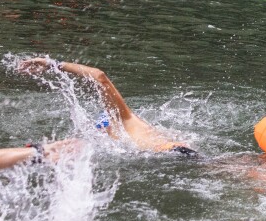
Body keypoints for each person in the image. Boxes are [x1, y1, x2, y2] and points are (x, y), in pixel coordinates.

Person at [17, 58, 200, 156]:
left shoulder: (122, 120)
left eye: (103, 128)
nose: (103, 133)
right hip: (175, 153)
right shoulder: (125, 132)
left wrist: (53, 64)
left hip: (175, 153)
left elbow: (99, 76)